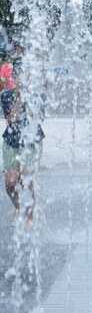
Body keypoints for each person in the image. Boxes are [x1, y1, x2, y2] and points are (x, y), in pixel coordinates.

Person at [2, 89, 44, 224]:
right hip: (11, 143)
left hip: (31, 142)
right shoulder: (6, 95)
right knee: (10, 183)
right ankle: (19, 207)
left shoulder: (35, 93)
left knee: (26, 178)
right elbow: (10, 119)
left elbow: (38, 117)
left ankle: (30, 212)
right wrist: (19, 100)